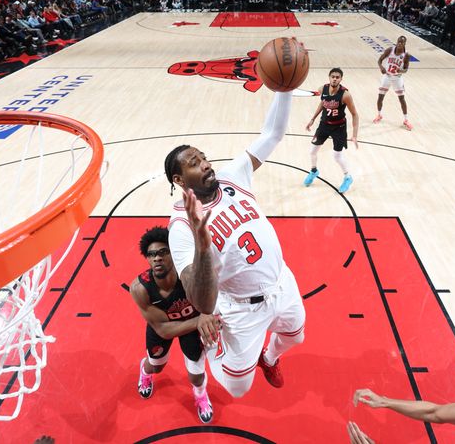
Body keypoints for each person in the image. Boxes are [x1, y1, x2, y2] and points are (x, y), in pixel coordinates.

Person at [164, 86, 306, 399]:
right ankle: (213, 344)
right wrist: (202, 241)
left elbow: (271, 134)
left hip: (283, 283)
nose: (204, 163)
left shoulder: (233, 175)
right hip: (240, 308)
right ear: (179, 179)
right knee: (237, 388)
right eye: (193, 162)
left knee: (296, 336)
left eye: (203, 157)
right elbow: (199, 299)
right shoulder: (180, 227)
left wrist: (285, 90)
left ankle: (268, 358)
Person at [129, 226, 218, 424]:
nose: (157, 258)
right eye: (151, 254)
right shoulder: (139, 288)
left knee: (196, 376)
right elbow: (163, 329)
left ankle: (200, 395)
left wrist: (207, 314)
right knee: (155, 367)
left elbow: (212, 295)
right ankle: (145, 373)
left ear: (173, 252)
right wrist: (200, 319)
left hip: (192, 328)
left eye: (163, 252)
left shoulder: (188, 275)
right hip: (172, 326)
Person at [303, 67, 360, 193]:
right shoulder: (322, 89)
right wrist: (313, 119)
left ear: (341, 79)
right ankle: (313, 171)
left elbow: (355, 114)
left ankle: (347, 177)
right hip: (324, 124)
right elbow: (323, 103)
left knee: (337, 156)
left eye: (337, 77)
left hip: (339, 127)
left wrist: (354, 135)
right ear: (329, 77)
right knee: (312, 151)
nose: (335, 79)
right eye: (332, 76)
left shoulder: (345, 95)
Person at [374, 36, 412, 130]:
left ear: (404, 44)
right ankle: (379, 115)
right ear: (396, 41)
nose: (399, 43)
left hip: (397, 78)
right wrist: (381, 67)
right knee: (380, 97)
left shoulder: (406, 55)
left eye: (402, 42)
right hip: (387, 76)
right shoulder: (390, 50)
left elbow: (406, 69)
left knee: (402, 99)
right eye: (398, 41)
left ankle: (406, 120)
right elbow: (379, 60)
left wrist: (401, 70)